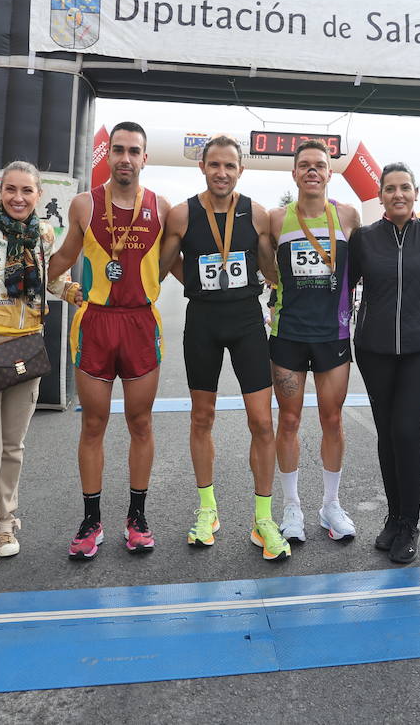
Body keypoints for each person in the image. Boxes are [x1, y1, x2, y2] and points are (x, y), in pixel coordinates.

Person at [158, 135, 290, 560]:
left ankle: (263, 519)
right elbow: (161, 266)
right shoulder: (181, 215)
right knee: (202, 417)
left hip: (247, 321)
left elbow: (270, 270)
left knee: (262, 423)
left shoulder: (259, 215)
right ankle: (207, 510)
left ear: (240, 170)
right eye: (214, 165)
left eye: (229, 166)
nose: (222, 173)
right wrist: (196, 283)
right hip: (203, 322)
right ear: (202, 167)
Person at [48, 122, 170, 560]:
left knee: (141, 424)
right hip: (96, 323)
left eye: (133, 151)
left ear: (144, 158)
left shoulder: (161, 207)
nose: (125, 158)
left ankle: (137, 517)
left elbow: (179, 267)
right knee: (93, 424)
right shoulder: (84, 204)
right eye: (118, 149)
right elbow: (60, 260)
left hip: (140, 323)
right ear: (109, 154)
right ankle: (91, 520)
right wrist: (57, 287)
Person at [0, 161, 80, 569]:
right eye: (11, 189)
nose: (18, 198)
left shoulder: (43, 234)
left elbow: (48, 279)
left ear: (39, 196)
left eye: (27, 191)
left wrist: (73, 291)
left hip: (25, 346)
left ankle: (5, 521)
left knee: (13, 446)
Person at [347, 163, 420, 564]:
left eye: (405, 187)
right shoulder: (364, 239)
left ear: (415, 193)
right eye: (390, 188)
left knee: (407, 431)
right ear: (380, 197)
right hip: (374, 349)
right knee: (387, 434)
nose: (398, 194)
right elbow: (345, 287)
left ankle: (410, 523)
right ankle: (393, 518)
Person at [263, 138, 361, 542]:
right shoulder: (274, 219)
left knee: (332, 419)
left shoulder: (349, 216)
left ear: (330, 173)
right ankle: (292, 508)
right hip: (288, 333)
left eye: (319, 165)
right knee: (288, 420)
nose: (312, 171)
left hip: (333, 334)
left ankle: (330, 505)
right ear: (294, 173)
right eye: (304, 165)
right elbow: (267, 268)